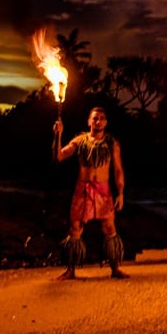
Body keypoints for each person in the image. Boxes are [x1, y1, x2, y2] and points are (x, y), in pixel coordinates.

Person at [53, 107, 128, 279]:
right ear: (89, 121)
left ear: (106, 122)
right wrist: (58, 135)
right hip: (83, 191)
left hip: (103, 191)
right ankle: (71, 270)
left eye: (102, 118)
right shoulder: (80, 141)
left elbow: (117, 170)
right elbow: (58, 157)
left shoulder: (112, 143)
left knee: (110, 228)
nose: (98, 121)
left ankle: (115, 268)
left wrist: (121, 193)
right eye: (95, 118)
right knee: (75, 229)